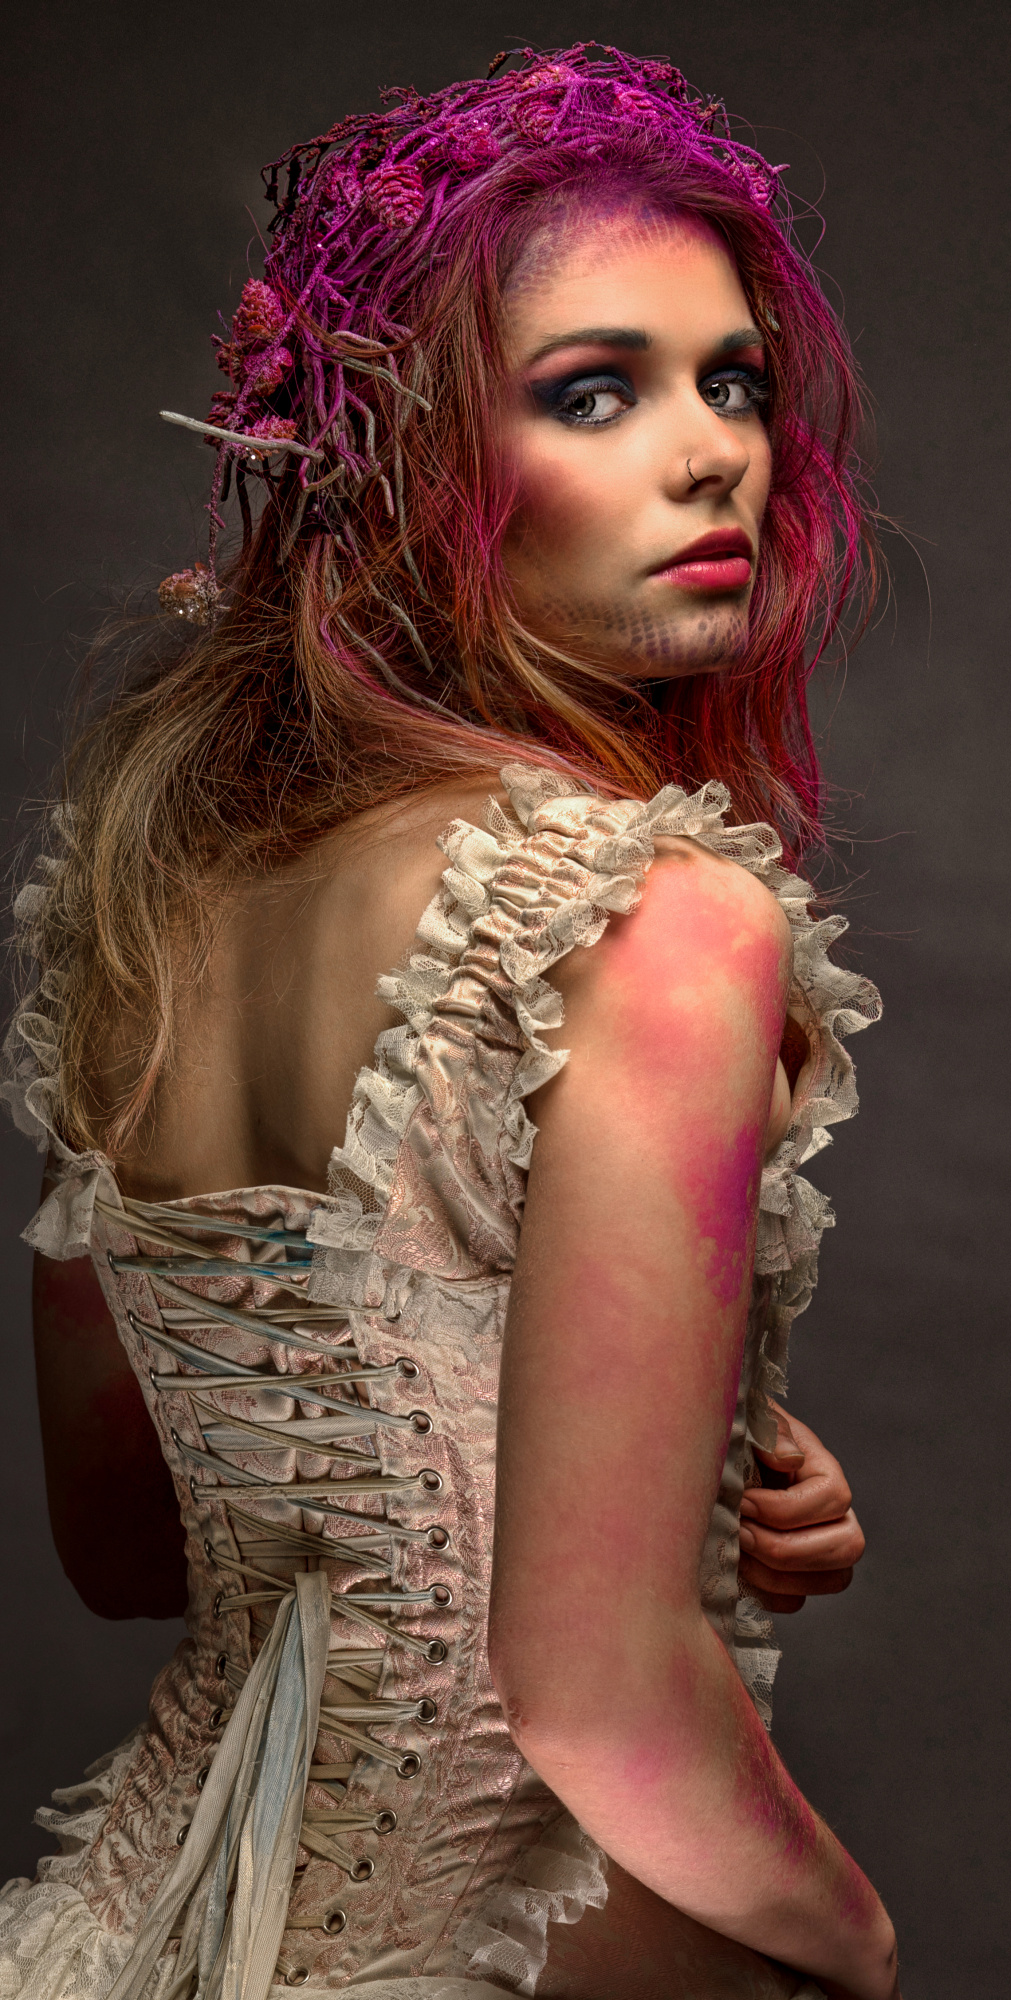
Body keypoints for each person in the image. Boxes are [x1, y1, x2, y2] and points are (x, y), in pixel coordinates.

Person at [1, 43, 898, 2000]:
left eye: (732, 380)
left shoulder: (151, 892)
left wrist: (665, 1451)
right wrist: (851, 1943)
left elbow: (130, 1546)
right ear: (401, 463)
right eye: (595, 391)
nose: (715, 453)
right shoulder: (661, 921)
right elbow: (595, 1695)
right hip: (494, 1937)